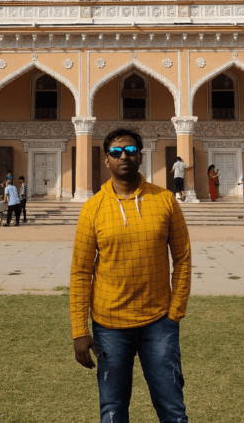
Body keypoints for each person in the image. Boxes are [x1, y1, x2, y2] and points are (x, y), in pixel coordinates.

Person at [71, 128, 191, 423]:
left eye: (130, 151)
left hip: (159, 323)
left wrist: (175, 312)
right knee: (112, 410)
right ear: (107, 160)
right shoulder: (93, 208)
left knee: (172, 408)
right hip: (109, 326)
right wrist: (79, 331)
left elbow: (183, 258)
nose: (123, 156)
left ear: (140, 156)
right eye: (115, 152)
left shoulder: (164, 201)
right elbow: (81, 272)